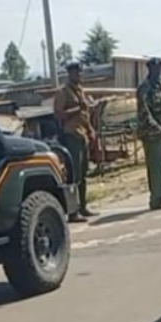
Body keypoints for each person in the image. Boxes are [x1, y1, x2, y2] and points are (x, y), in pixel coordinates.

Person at [53, 61, 97, 221]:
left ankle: (83, 206)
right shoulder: (63, 92)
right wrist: (78, 108)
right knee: (74, 174)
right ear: (69, 74)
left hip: (82, 135)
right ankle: (73, 211)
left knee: (84, 173)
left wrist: (91, 130)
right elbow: (58, 114)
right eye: (76, 72)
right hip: (71, 136)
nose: (79, 75)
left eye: (80, 72)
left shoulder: (81, 91)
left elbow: (85, 114)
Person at [136, 57, 161, 210]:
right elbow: (144, 114)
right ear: (149, 69)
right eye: (155, 68)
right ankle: (156, 199)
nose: (158, 71)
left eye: (160, 68)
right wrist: (160, 130)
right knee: (156, 168)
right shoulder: (144, 89)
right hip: (152, 135)